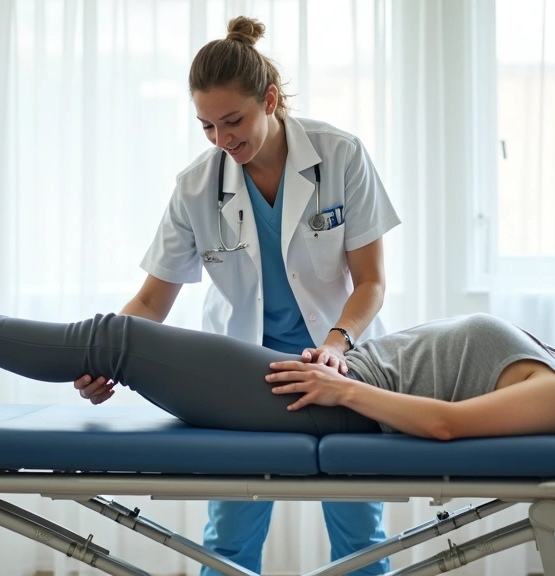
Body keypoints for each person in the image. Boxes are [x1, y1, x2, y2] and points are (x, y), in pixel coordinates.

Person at [0, 222, 555, 443]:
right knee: (113, 336)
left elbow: (446, 422)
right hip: (315, 383)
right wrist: (337, 369)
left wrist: (342, 386)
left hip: (317, 404)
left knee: (114, 340)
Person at [69, 15, 400, 575]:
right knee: (228, 538)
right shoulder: (196, 186)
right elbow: (152, 300)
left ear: (269, 100)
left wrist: (339, 344)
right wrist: (104, 354)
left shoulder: (341, 155)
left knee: (360, 535)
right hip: (243, 373)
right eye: (206, 127)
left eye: (233, 121)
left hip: (337, 364)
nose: (223, 141)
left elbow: (371, 281)